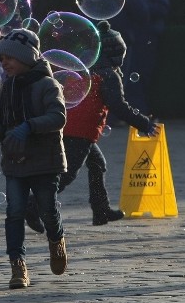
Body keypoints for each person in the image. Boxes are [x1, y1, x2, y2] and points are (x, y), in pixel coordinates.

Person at [24, 21, 160, 232]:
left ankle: (101, 210)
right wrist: (144, 123)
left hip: (66, 125)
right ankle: (32, 205)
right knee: (66, 174)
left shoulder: (82, 68)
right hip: (81, 131)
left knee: (97, 163)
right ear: (117, 54)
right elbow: (118, 105)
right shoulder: (108, 74)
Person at [0, 28, 68, 290]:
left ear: (28, 57)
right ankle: (18, 266)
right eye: (1, 58)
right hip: (15, 162)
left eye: (10, 58)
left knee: (48, 210)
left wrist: (29, 126)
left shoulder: (48, 84)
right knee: (14, 213)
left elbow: (59, 117)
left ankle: (56, 239)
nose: (4, 63)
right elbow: (1, 123)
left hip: (45, 161)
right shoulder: (7, 87)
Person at [110, 0, 169, 116]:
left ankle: (140, 113)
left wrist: (142, 4)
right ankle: (129, 114)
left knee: (142, 75)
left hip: (145, 37)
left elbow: (162, 8)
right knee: (125, 77)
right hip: (126, 37)